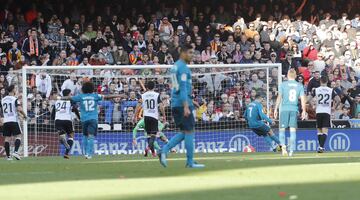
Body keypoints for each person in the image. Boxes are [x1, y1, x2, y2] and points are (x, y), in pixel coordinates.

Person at [159, 44, 204, 168]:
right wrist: (186, 105)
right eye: (190, 52)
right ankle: (189, 162)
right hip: (182, 104)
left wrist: (190, 100)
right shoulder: (183, 68)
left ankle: (164, 150)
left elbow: (176, 87)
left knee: (185, 132)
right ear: (183, 53)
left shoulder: (174, 67)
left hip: (175, 102)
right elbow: (183, 88)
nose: (192, 55)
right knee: (189, 131)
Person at [60, 81, 123, 159]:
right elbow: (107, 96)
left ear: (83, 89)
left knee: (85, 135)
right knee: (91, 136)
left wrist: (60, 98)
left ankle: (85, 152)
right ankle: (89, 154)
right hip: (93, 119)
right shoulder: (95, 96)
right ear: (92, 88)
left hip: (84, 119)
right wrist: (119, 95)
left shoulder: (81, 96)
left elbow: (69, 98)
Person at [274, 69, 307, 157]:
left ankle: (283, 147)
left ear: (287, 75)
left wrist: (275, 109)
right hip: (294, 109)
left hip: (284, 109)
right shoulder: (299, 85)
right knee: (292, 130)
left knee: (282, 130)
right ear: (295, 76)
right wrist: (304, 110)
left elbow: (279, 97)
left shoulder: (283, 85)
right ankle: (291, 151)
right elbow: (303, 99)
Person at [136, 80, 166, 157]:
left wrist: (134, 115)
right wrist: (164, 115)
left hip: (146, 117)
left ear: (147, 87)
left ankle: (153, 153)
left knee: (149, 136)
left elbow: (138, 106)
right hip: (154, 117)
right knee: (153, 135)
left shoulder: (143, 95)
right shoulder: (157, 95)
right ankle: (148, 148)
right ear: (154, 87)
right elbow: (161, 106)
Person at [51, 89, 80, 159]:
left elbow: (52, 115)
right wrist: (79, 117)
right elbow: (75, 109)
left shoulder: (57, 102)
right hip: (67, 120)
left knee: (62, 135)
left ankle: (62, 134)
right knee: (71, 136)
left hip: (57, 120)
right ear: (68, 94)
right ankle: (66, 153)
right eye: (71, 94)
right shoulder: (70, 100)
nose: (71, 95)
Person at [1, 85, 27, 160]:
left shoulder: (3, 99)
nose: (16, 90)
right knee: (18, 136)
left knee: (7, 138)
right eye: (15, 88)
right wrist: (25, 115)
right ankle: (15, 152)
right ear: (12, 90)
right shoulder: (15, 99)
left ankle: (8, 156)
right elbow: (19, 108)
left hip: (6, 121)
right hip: (13, 120)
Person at [313, 76, 336, 153]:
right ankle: (321, 147)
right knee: (325, 131)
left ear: (320, 81)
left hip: (318, 111)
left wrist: (313, 105)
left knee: (319, 130)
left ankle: (320, 147)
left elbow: (308, 98)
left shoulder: (316, 90)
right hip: (326, 111)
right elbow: (338, 99)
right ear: (327, 81)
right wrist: (334, 107)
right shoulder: (330, 90)